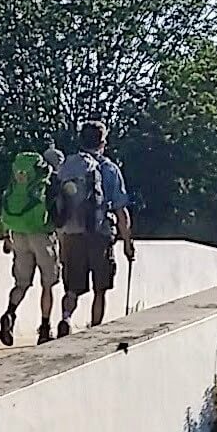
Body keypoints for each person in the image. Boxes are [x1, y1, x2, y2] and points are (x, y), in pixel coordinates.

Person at [51, 120, 134, 337]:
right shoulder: (109, 169)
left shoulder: (69, 166)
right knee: (100, 288)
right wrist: (127, 242)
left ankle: (66, 318)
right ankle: (95, 330)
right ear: (103, 142)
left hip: (72, 234)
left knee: (72, 287)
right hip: (99, 234)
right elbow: (120, 210)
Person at [0, 150, 62, 345]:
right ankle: (44, 328)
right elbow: (58, 212)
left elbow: (6, 206)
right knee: (47, 284)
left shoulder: (19, 182)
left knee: (21, 283)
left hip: (18, 233)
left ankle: (10, 312)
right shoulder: (50, 183)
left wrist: (6, 236)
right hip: (42, 235)